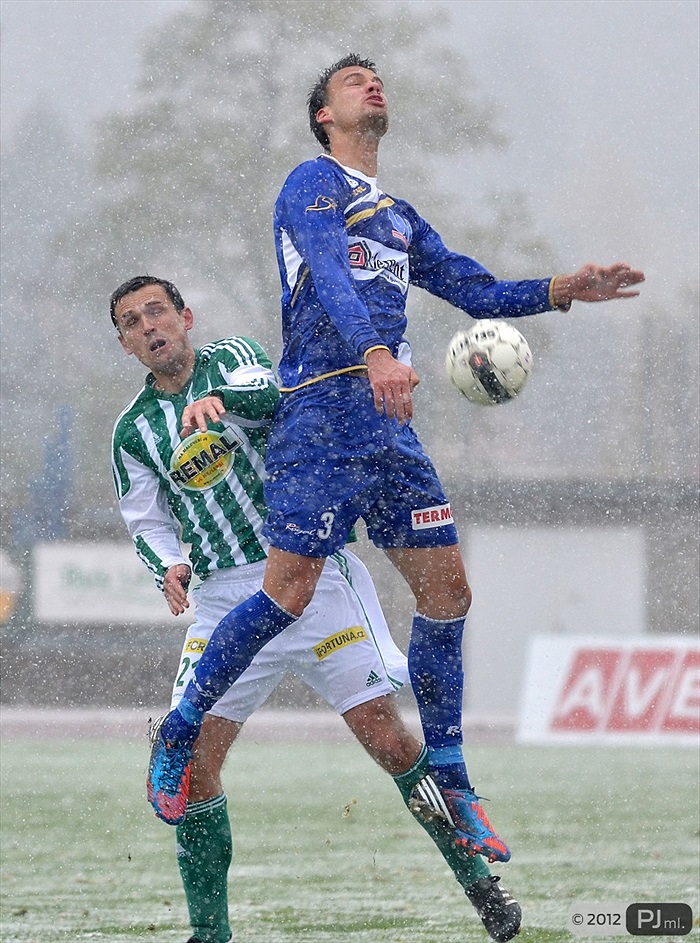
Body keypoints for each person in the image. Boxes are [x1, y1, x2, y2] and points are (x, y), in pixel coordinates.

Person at [148, 53, 644, 861]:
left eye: (376, 78)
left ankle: (452, 776)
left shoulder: (399, 214)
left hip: (389, 425)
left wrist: (559, 288)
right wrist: (378, 351)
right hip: (322, 414)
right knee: (286, 595)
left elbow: (474, 290)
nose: (372, 85)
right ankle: (180, 730)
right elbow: (336, 283)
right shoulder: (310, 182)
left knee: (448, 594)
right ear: (322, 116)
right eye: (352, 81)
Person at [110, 274, 523, 943]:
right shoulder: (134, 431)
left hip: (307, 574)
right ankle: (209, 933)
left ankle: (479, 883)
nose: (148, 325)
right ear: (126, 344)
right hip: (222, 601)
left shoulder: (232, 359)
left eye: (157, 311)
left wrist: (220, 399)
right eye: (131, 321)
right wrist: (169, 563)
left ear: (186, 316)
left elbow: (272, 393)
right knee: (191, 765)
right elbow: (143, 517)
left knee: (389, 740)